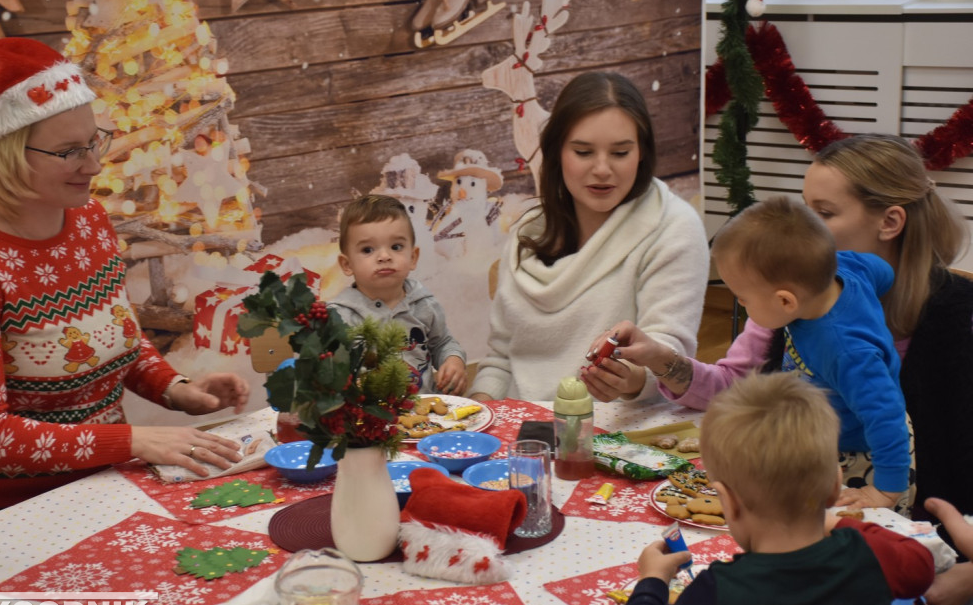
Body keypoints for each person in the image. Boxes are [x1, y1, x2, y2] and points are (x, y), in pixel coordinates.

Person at [0, 38, 250, 556]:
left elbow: (112, 340)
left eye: (95, 142)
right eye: (68, 151)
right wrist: (135, 441)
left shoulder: (88, 219)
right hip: (3, 514)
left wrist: (175, 388)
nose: (93, 165)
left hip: (99, 485)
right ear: (2, 154)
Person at [603, 134, 968, 514]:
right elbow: (733, 387)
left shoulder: (942, 319)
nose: (806, 230)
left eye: (823, 214)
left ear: (890, 221)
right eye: (806, 211)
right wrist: (661, 359)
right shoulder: (797, 296)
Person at [619, 372, 935, 605]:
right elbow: (922, 565)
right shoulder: (870, 554)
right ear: (836, 485)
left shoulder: (723, 588)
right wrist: (841, 521)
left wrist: (652, 580)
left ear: (726, 501)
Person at [468, 71, 709, 403]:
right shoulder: (528, 230)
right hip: (523, 433)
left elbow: (669, 363)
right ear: (556, 152)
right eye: (583, 152)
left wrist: (634, 380)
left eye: (620, 153)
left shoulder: (674, 226)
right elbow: (499, 360)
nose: (602, 169)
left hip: (620, 436)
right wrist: (477, 416)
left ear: (641, 153)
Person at [714, 196, 911, 511]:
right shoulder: (846, 265)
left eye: (742, 298)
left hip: (867, 455)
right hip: (831, 438)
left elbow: (886, 416)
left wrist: (885, 491)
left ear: (785, 301)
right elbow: (884, 272)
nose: (742, 307)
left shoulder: (846, 350)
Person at [329, 194, 467, 395]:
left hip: (425, 416)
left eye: (396, 247)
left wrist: (453, 359)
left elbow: (443, 342)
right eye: (367, 249)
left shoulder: (424, 304)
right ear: (347, 264)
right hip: (367, 419)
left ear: (413, 257)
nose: (384, 256)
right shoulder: (340, 316)